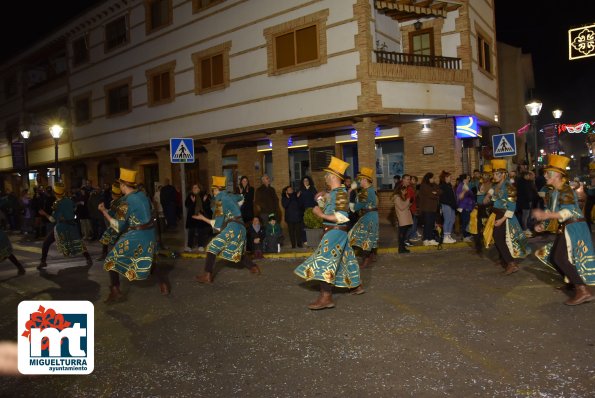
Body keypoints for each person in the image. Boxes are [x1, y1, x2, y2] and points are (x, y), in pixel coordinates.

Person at [294, 156, 364, 310]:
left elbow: (342, 216)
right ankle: (356, 286)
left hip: (335, 232)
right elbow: (331, 207)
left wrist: (321, 215)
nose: (325, 177)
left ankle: (326, 298)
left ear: (333, 177)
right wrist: (322, 200)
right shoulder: (335, 193)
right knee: (345, 259)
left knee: (323, 261)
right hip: (336, 232)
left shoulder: (340, 194)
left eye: (327, 175)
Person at [532, 154, 595, 305]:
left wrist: (545, 215)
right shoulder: (554, 192)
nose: (545, 175)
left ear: (558, 175)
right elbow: (555, 213)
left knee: (560, 257)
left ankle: (582, 290)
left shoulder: (565, 190)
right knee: (555, 257)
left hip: (574, 226)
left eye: (548, 173)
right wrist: (544, 224)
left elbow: (567, 212)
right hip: (566, 227)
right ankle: (572, 283)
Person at [99, 168, 164, 302]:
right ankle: (163, 285)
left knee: (111, 260)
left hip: (137, 234)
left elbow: (118, 226)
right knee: (150, 258)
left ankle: (115, 291)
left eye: (120, 185)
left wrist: (104, 211)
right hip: (150, 233)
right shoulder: (142, 195)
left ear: (123, 185)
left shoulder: (126, 202)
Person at [194, 175, 261, 284]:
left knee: (212, 247)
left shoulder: (220, 200)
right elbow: (241, 197)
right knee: (236, 250)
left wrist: (203, 218)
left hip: (233, 227)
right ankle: (254, 267)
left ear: (217, 189)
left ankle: (207, 275)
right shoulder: (230, 196)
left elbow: (218, 224)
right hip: (241, 227)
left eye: (214, 190)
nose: (213, 192)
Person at [482, 159, 530, 274]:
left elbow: (512, 207)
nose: (494, 176)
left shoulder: (509, 187)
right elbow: (492, 192)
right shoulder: (497, 185)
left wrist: (502, 220)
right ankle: (504, 259)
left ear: (503, 175)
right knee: (498, 238)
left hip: (504, 216)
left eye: (497, 174)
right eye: (494, 173)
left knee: (499, 238)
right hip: (496, 214)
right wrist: (487, 196)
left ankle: (511, 263)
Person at [37, 182, 93, 270]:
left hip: (62, 228)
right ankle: (89, 258)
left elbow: (53, 219)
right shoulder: (69, 200)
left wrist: (44, 214)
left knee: (46, 243)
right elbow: (74, 209)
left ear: (55, 193)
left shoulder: (56, 204)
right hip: (72, 226)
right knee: (79, 243)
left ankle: (43, 261)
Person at [348, 167, 379, 269]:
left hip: (368, 217)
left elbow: (356, 207)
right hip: (370, 216)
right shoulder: (369, 189)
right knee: (367, 237)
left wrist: (348, 203)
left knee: (364, 237)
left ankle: (366, 260)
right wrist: (352, 188)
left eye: (361, 179)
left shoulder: (365, 192)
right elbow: (356, 183)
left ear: (365, 180)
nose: (359, 181)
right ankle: (371, 256)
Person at [96, 182, 124, 261]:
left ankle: (108, 255)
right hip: (116, 224)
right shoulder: (116, 201)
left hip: (117, 224)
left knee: (108, 238)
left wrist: (104, 210)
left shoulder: (117, 203)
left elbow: (112, 213)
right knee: (108, 239)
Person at [185, 183, 210, 252]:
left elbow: (207, 207)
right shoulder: (190, 196)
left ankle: (200, 245)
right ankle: (189, 246)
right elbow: (186, 205)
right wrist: (193, 202)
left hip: (200, 216)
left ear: (199, 189)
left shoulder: (203, 195)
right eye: (193, 188)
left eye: (196, 188)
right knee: (191, 232)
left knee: (201, 231)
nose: (194, 189)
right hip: (192, 217)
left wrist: (204, 201)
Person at [438, 171, 457, 243]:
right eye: (449, 177)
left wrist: (454, 204)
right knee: (447, 220)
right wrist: (450, 203)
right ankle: (445, 237)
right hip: (446, 205)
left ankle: (448, 235)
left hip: (451, 205)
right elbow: (443, 197)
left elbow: (452, 196)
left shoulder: (449, 185)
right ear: (445, 178)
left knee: (452, 220)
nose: (450, 178)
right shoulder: (442, 186)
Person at [456, 173, 475, 242]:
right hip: (464, 206)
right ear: (464, 179)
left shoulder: (466, 185)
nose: (469, 179)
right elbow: (460, 197)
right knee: (465, 221)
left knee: (467, 221)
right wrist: (465, 191)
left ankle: (467, 235)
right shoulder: (462, 186)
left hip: (468, 206)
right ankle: (465, 236)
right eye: (468, 178)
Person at [393, 183, 412, 254]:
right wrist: (408, 201)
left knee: (403, 234)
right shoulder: (397, 197)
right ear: (401, 190)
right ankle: (401, 249)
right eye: (405, 190)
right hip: (402, 218)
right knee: (402, 234)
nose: (406, 192)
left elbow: (404, 206)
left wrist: (409, 203)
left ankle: (403, 248)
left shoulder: (401, 197)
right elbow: (401, 207)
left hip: (405, 217)